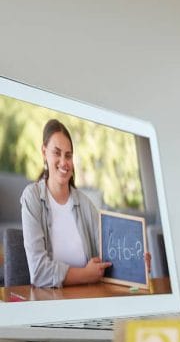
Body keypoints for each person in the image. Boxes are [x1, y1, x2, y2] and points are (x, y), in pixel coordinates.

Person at [20, 119, 111, 288]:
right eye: (57, 153)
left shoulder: (85, 204)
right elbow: (39, 272)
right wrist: (86, 274)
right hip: (51, 304)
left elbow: (109, 256)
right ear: (44, 152)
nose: (64, 162)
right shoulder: (31, 197)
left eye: (68, 155)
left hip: (89, 299)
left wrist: (136, 264)